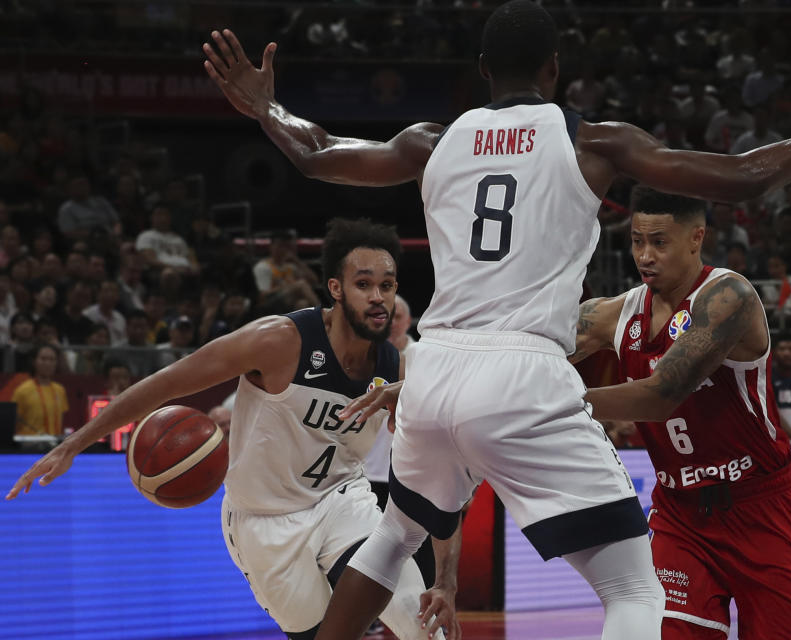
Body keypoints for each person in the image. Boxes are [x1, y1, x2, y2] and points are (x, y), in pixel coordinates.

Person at [201, 2, 791, 637]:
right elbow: (745, 173)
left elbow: (321, 154)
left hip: (435, 362)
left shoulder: (431, 141)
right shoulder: (593, 142)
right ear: (554, 69)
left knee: (393, 535)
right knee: (634, 589)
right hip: (522, 368)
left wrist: (267, 109)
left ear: (481, 70)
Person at [6, 218, 459, 640]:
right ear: (336, 289)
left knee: (420, 621)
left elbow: (437, 475)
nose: (378, 296)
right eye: (364, 285)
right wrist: (74, 444)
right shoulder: (278, 342)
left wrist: (446, 579)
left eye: (387, 285)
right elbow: (166, 383)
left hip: (343, 501)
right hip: (264, 521)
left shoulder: (393, 366)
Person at [563, 191, 791, 639]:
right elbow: (521, 354)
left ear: (695, 238)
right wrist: (420, 390)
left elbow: (665, 393)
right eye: (637, 241)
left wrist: (558, 401)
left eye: (659, 242)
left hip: (761, 507)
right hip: (680, 515)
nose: (645, 256)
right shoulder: (613, 314)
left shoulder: (730, 297)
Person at [12, 343, 69, 436]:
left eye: (52, 359)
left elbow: (61, 420)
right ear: (34, 361)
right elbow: (14, 422)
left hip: (54, 445)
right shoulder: (22, 390)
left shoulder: (60, 390)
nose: (48, 363)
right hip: (30, 447)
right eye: (43, 359)